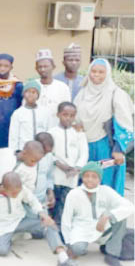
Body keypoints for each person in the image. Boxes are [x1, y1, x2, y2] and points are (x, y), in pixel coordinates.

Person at [0, 172, 83, 266]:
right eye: (14, 193)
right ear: (4, 188)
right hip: (3, 226)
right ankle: (10, 238)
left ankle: (63, 260)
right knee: (1, 251)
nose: (17, 194)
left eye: (18, 192)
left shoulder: (21, 189)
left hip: (21, 220)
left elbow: (33, 201)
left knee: (48, 224)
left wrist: (43, 214)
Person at [74, 59, 133, 196]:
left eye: (101, 72)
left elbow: (126, 124)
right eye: (93, 71)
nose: (96, 75)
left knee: (104, 186)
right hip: (83, 146)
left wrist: (119, 149)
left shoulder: (115, 94)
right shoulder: (82, 93)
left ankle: (104, 217)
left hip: (105, 146)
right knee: (84, 185)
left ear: (107, 74)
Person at [62, 162, 134, 266]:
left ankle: (112, 255)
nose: (90, 180)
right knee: (77, 249)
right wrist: (68, 244)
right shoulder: (74, 194)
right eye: (86, 176)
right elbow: (66, 221)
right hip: (82, 230)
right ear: (82, 177)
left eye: (94, 177)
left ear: (99, 179)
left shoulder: (105, 191)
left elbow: (129, 206)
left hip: (102, 227)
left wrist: (107, 215)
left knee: (120, 217)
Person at [48, 102, 89, 225]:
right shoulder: (52, 132)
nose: (68, 118)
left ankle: (61, 227)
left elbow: (84, 153)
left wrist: (77, 168)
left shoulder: (79, 134)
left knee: (66, 202)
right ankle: (51, 226)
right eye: (65, 114)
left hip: (72, 175)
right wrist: (59, 164)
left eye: (72, 115)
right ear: (58, 115)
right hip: (56, 173)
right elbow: (49, 152)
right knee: (54, 201)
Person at [0, 53, 23, 150]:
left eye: (6, 66)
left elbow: (20, 106)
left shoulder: (17, 85)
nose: (2, 68)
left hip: (9, 126)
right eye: (0, 65)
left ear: (11, 67)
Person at [8, 80, 52, 153]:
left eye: (34, 92)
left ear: (38, 95)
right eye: (28, 92)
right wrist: (15, 152)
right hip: (24, 151)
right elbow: (13, 136)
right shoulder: (18, 113)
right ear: (24, 94)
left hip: (41, 150)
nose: (30, 94)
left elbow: (48, 132)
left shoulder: (45, 112)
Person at [35, 49, 71, 121]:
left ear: (53, 67)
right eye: (40, 67)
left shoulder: (62, 87)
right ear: (36, 68)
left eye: (46, 66)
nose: (43, 69)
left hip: (55, 128)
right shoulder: (32, 86)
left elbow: (67, 111)